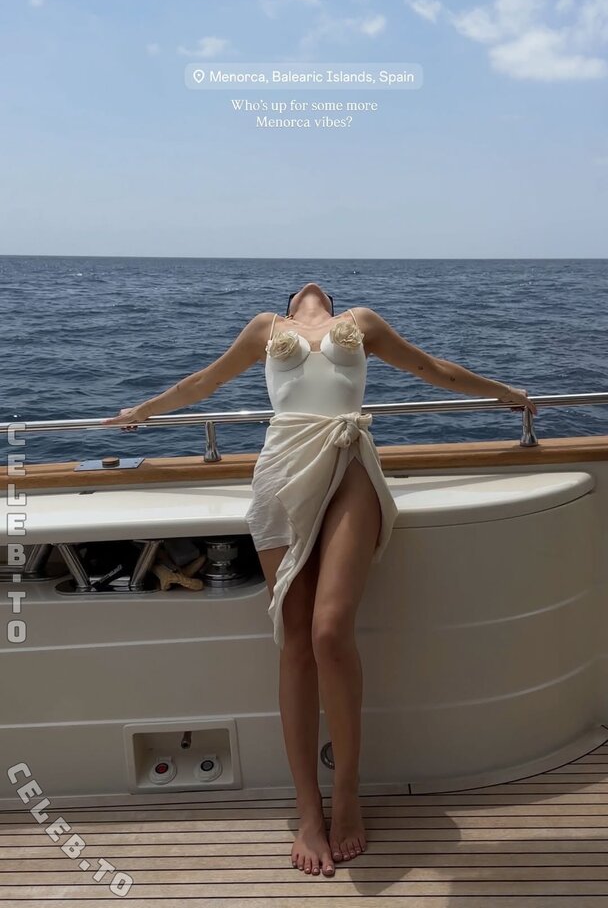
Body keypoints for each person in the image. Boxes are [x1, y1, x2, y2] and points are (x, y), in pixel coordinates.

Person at [103, 282, 537, 878]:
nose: (309, 289)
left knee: (330, 631)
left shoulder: (363, 321)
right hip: (282, 468)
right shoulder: (264, 328)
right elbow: (204, 381)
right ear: (290, 302)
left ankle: (347, 794)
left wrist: (506, 393)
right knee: (296, 641)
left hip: (348, 457)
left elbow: (432, 368)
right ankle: (308, 810)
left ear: (329, 298)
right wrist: (143, 411)